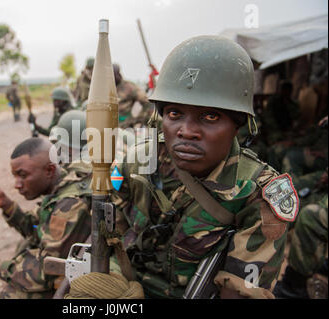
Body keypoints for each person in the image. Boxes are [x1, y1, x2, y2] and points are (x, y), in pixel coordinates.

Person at [68, 35, 299, 299]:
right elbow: (111, 230)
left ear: (239, 125)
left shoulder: (258, 194)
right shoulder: (138, 161)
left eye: (210, 116)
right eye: (175, 114)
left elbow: (241, 293)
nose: (186, 131)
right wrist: (113, 281)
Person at [0, 137, 92, 299]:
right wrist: (6, 204)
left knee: (11, 295)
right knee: (25, 246)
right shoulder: (63, 181)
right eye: (15, 176)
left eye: (23, 175)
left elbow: (46, 269)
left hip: (91, 274)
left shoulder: (69, 205)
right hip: (72, 261)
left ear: (49, 171)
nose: (17, 184)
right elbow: (34, 227)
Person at [113, 64, 153, 129]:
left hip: (126, 126)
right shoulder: (108, 88)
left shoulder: (129, 87)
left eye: (114, 75)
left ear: (118, 74)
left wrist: (138, 120)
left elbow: (145, 101)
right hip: (111, 127)